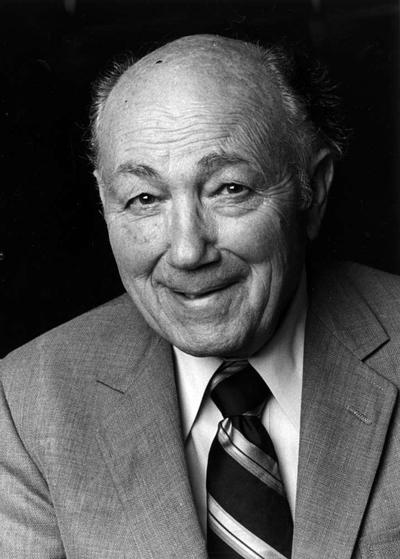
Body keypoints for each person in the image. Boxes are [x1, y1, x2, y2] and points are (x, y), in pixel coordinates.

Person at [1, 34, 400, 559]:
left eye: (229, 189)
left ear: (314, 188)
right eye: (145, 198)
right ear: (104, 203)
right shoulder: (27, 404)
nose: (188, 252)